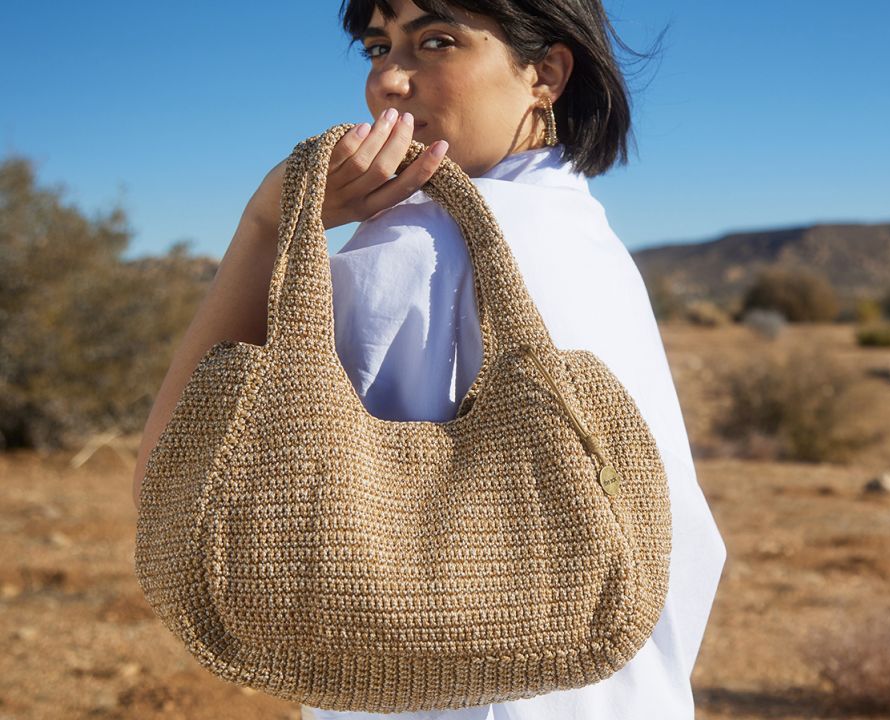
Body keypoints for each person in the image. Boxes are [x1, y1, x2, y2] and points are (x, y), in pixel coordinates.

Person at [131, 1, 727, 718]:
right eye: (378, 47)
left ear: (546, 72)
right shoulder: (589, 238)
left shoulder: (419, 242)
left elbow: (175, 482)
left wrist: (264, 225)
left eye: (435, 42)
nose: (388, 79)